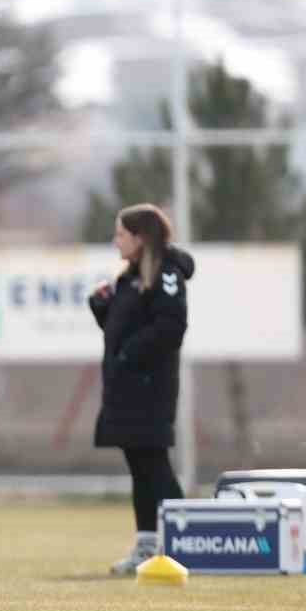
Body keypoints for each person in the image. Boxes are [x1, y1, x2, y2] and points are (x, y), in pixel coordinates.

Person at [87, 203, 195, 576]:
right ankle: (148, 544)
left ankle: (187, 542)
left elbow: (171, 326)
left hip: (150, 389)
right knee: (139, 465)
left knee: (154, 464)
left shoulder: (166, 274)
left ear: (139, 237)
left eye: (121, 234)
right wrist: (102, 307)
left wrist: (131, 354)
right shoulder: (129, 278)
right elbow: (121, 330)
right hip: (125, 389)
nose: (116, 241)